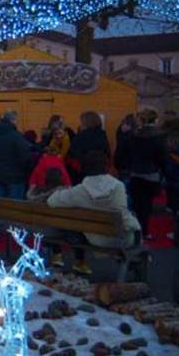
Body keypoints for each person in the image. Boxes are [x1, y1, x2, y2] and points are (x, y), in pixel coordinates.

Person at [48, 150, 141, 272]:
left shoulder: (79, 191)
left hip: (96, 239)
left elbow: (51, 201)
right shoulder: (118, 186)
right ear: (106, 166)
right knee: (133, 222)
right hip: (123, 238)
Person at [127, 109, 166, 240]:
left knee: (137, 203)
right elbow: (161, 157)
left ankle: (137, 229)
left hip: (135, 171)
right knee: (147, 204)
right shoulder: (160, 136)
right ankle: (145, 231)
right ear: (155, 120)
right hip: (151, 172)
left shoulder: (134, 135)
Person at [0, 110, 31, 199]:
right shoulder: (17, 136)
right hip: (15, 177)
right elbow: (25, 156)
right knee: (15, 207)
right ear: (13, 121)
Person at [68, 111, 110, 182]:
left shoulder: (80, 137)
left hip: (84, 174)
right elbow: (107, 153)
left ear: (85, 123)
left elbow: (73, 156)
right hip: (101, 172)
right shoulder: (102, 135)